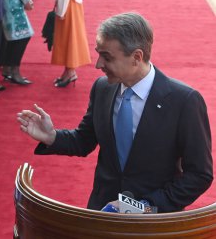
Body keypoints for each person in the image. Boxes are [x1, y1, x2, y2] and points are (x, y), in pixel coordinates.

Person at [17, 12, 213, 213]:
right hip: (103, 214)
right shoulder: (102, 88)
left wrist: (142, 208)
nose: (98, 64)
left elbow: (199, 175)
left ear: (137, 57)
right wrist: (52, 137)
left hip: (154, 222)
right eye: (99, 54)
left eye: (107, 57)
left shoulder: (185, 101)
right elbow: (84, 140)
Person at [52, 0, 91, 87]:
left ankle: (70, 72)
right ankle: (68, 71)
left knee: (68, 38)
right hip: (72, 4)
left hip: (68, 6)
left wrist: (61, 10)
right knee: (69, 37)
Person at [0, 0, 34, 85]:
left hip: (5, 2)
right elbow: (29, 5)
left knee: (14, 37)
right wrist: (27, 0)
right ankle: (14, 71)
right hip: (12, 3)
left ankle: (7, 68)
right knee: (23, 36)